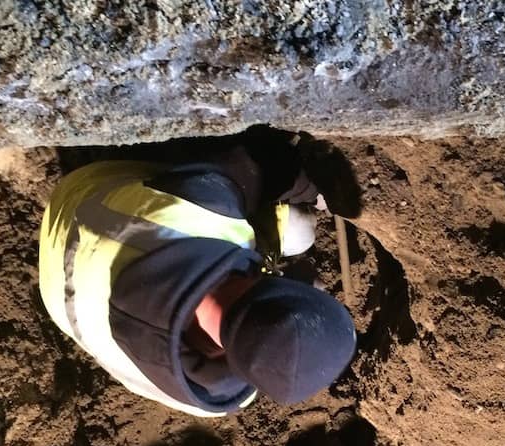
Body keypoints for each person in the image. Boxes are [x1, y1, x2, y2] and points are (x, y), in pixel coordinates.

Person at [39, 126, 362, 417]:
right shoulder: (214, 396)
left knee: (300, 231)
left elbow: (255, 165)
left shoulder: (195, 210)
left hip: (80, 200)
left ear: (272, 281)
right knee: (298, 238)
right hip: (62, 295)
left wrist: (314, 185)